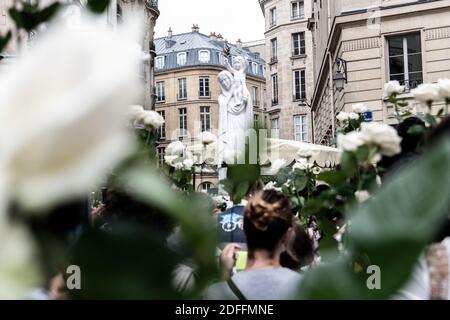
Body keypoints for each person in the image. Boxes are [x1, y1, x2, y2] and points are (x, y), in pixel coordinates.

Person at [204, 189, 302, 300]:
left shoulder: (216, 292)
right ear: (288, 235)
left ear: (245, 232)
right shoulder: (308, 288)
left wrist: (224, 276)